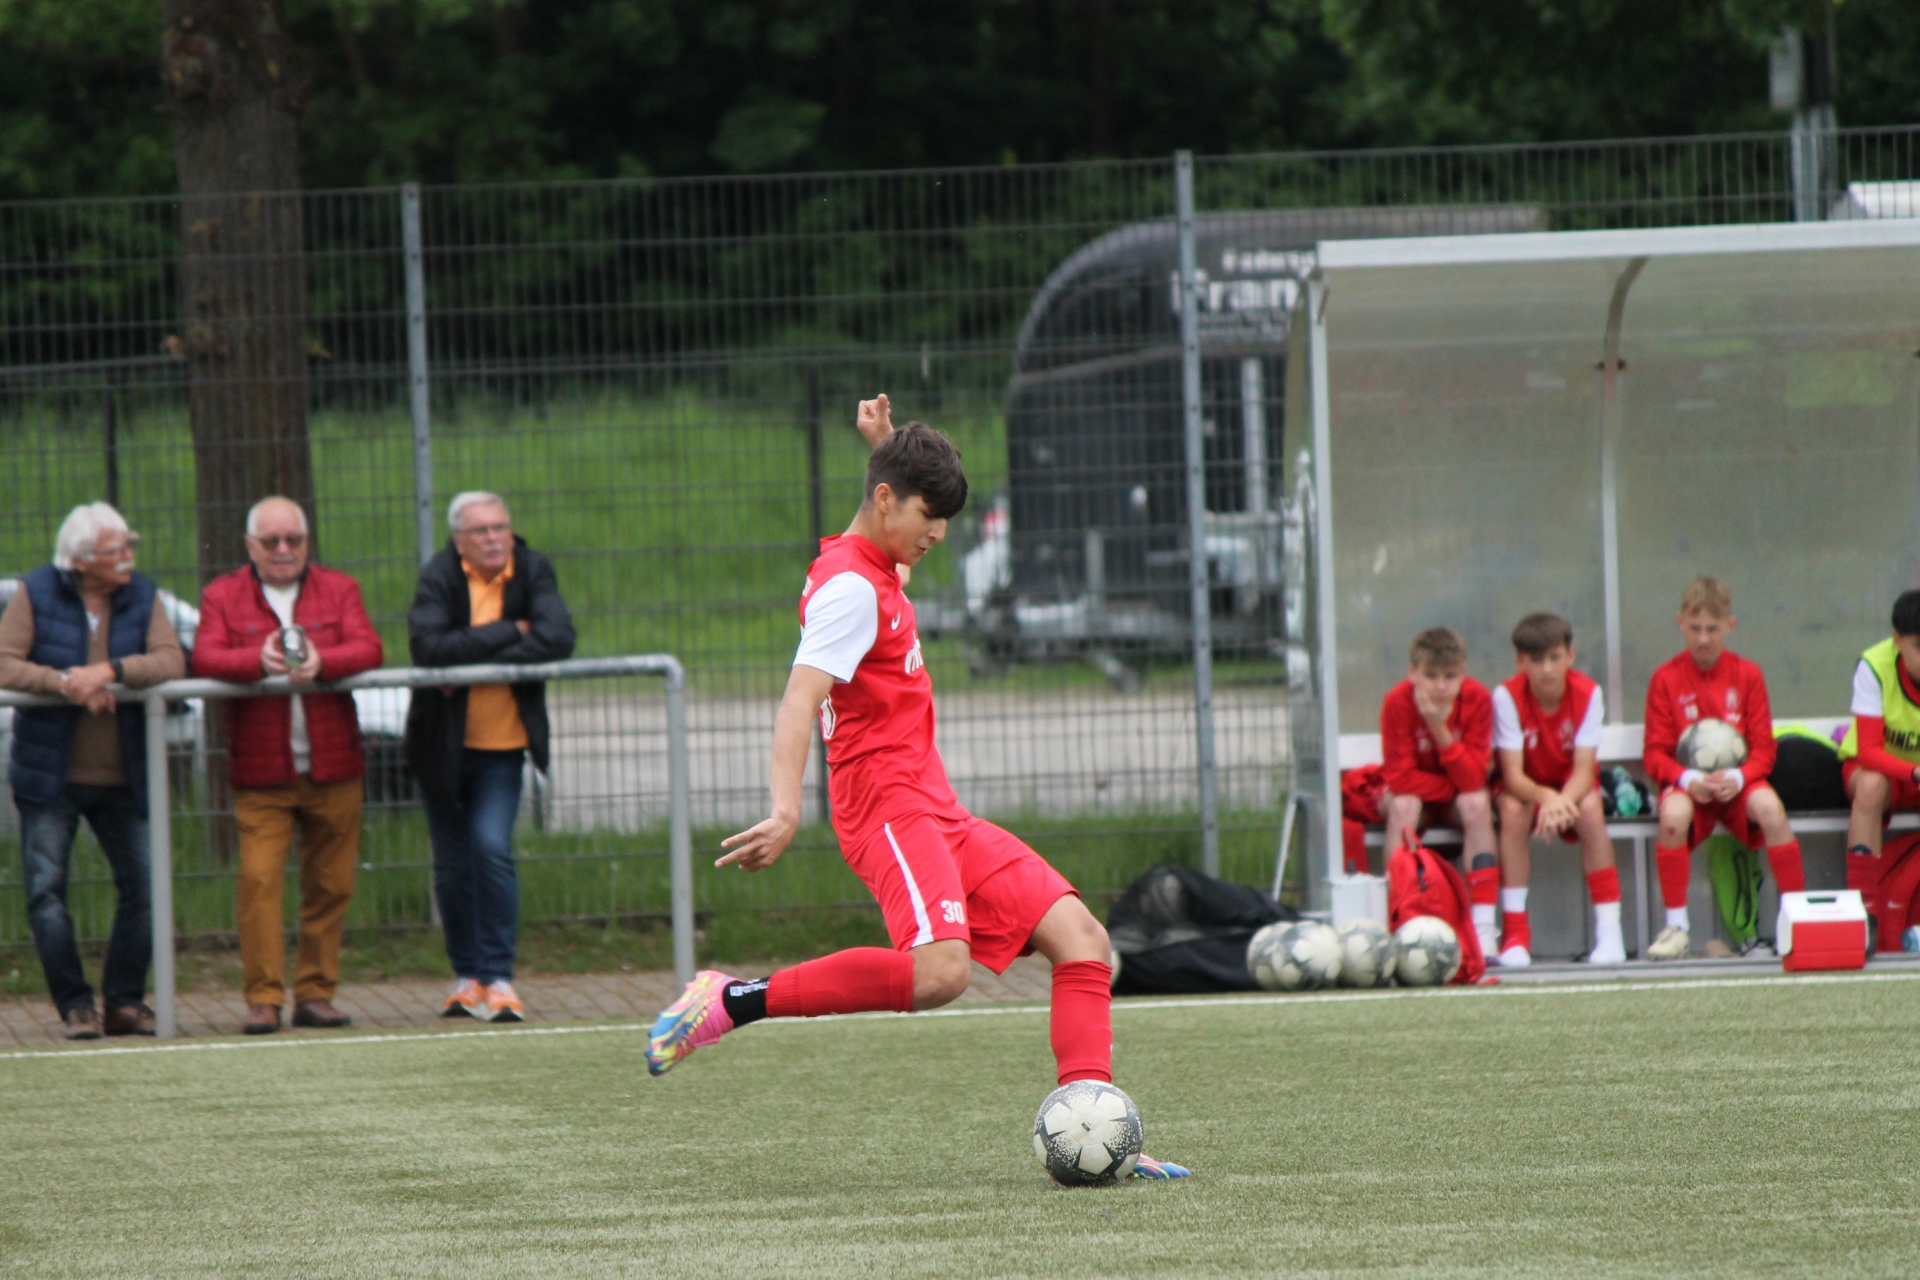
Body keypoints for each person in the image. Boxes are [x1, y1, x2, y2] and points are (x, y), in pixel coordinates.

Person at [642, 394, 1188, 1180]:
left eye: (946, 520)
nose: (938, 535)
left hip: (934, 806)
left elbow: (889, 516)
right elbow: (798, 700)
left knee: (1084, 941)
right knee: (940, 974)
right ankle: (731, 1001)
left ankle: (1092, 1124)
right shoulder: (849, 591)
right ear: (886, 500)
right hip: (886, 808)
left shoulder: (877, 558)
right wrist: (786, 809)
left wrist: (887, 442)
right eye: (929, 516)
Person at [193, 496, 384, 1035]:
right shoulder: (222, 595)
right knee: (258, 882)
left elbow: (370, 647)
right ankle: (264, 998)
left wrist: (326, 661)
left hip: (335, 766)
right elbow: (205, 657)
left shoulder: (339, 588)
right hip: (262, 774)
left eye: (293, 540)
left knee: (332, 885)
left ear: (307, 542)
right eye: (271, 541)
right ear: (249, 546)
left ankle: (316, 994)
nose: (283, 550)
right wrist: (256, 661)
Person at [0, 503, 184, 1039]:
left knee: (146, 887)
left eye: (128, 545)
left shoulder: (143, 595)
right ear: (80, 560)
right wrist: (65, 683)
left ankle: (124, 1001)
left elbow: (171, 660)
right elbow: (5, 661)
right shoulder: (36, 592)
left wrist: (111, 671)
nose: (128, 557)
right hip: (49, 777)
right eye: (115, 550)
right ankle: (75, 1006)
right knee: (46, 892)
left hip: (125, 776)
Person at [406, 491, 575, 1023]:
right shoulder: (438, 576)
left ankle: (500, 976)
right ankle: (468, 977)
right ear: (459, 540)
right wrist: (512, 631)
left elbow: (558, 636)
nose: (495, 538)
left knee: (491, 847)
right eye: (481, 531)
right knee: (452, 866)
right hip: (441, 749)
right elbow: (429, 648)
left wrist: (475, 663)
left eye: (501, 527)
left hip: (503, 750)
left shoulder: (532, 569)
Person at [1642, 577, 1802, 961]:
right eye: (1695, 628)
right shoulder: (1665, 678)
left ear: (1730, 625)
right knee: (1672, 817)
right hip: (1690, 786)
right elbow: (1655, 754)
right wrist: (1688, 778)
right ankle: (1677, 927)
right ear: (1680, 623)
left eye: (1712, 629)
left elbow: (1764, 748)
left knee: (1771, 809)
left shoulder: (1748, 674)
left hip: (1738, 783)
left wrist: (1740, 776)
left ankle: (1797, 916)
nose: (1703, 639)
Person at [1490, 614, 1624, 967]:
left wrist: (1561, 800)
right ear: (1520, 661)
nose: (1547, 669)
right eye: (1537, 660)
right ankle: (1515, 936)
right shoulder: (1506, 696)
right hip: (1528, 789)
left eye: (1555, 657)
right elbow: (1512, 775)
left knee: (1591, 809)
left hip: (1571, 789)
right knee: (1511, 810)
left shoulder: (1589, 692)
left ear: (1570, 655)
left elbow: (1584, 771)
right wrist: (1546, 798)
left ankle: (1610, 934)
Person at [1378, 627, 1500, 958]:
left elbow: (1474, 781)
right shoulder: (1397, 701)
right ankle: (1400, 918)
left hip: (1457, 800)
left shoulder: (1477, 699)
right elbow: (1400, 778)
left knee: (1476, 804)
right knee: (1403, 806)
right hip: (1418, 797)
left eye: (1450, 676)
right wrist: (1452, 786)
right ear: (1412, 673)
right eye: (1430, 676)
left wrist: (1438, 727)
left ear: (1463, 673)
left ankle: (1483, 927)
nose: (1441, 686)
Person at [1837, 590, 1920, 913]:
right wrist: (1913, 772)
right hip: (1883, 772)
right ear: (1896, 641)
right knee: (1872, 785)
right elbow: (1869, 752)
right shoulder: (1874, 665)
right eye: (1918, 646)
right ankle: (1863, 908)